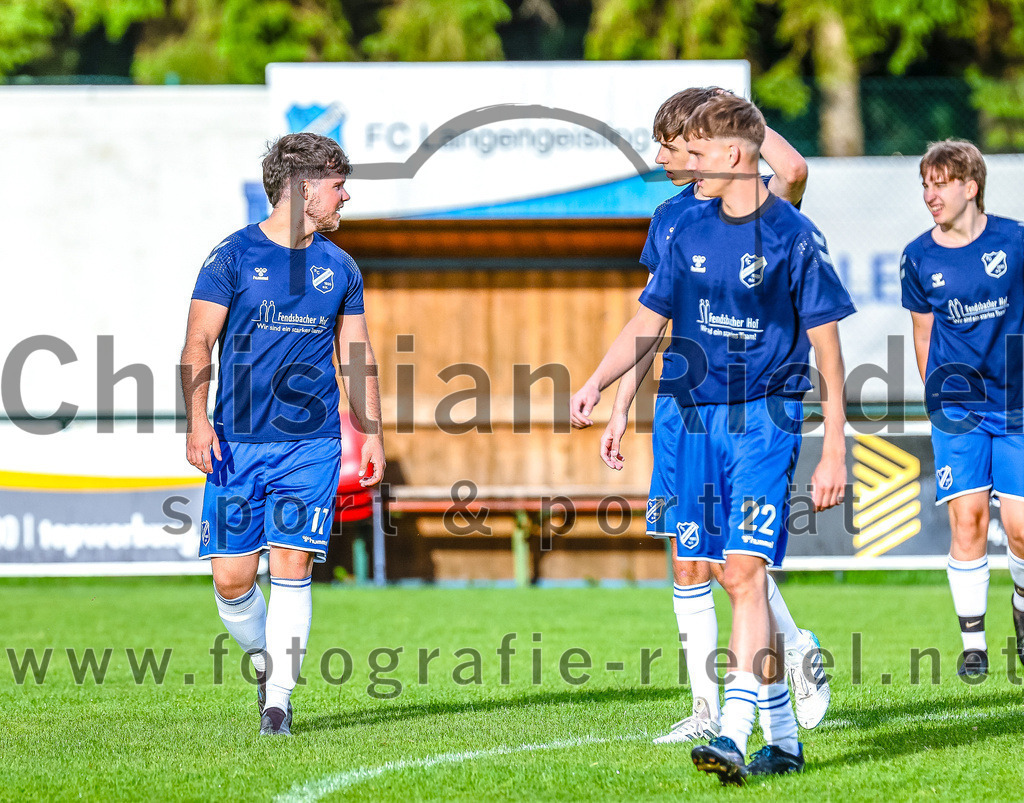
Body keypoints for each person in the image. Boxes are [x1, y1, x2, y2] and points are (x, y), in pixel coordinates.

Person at [573, 94, 853, 783]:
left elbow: (828, 346)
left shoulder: (791, 236)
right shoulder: (687, 227)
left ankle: (729, 729)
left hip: (764, 417)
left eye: (694, 151)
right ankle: (782, 737)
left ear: (733, 155)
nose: (680, 162)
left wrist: (838, 441)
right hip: (692, 415)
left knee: (745, 571)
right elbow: (648, 320)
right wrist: (602, 383)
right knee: (724, 571)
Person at [180, 132, 385, 736]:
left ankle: (279, 702)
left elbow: (357, 351)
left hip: (312, 442)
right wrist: (196, 421)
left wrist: (371, 431)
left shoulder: (340, 267)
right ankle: (268, 660)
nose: (345, 196)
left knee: (292, 567)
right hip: (237, 443)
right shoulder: (232, 257)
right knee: (232, 580)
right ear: (301, 189)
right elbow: (197, 344)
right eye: (336, 185)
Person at [900, 139, 1024, 677]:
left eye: (940, 183)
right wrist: (938, 399)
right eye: (925, 185)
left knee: (1020, 529)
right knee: (967, 519)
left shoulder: (1014, 242)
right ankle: (973, 644)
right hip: (959, 408)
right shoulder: (917, 256)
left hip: (1017, 406)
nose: (930, 195)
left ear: (970, 186)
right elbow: (923, 336)